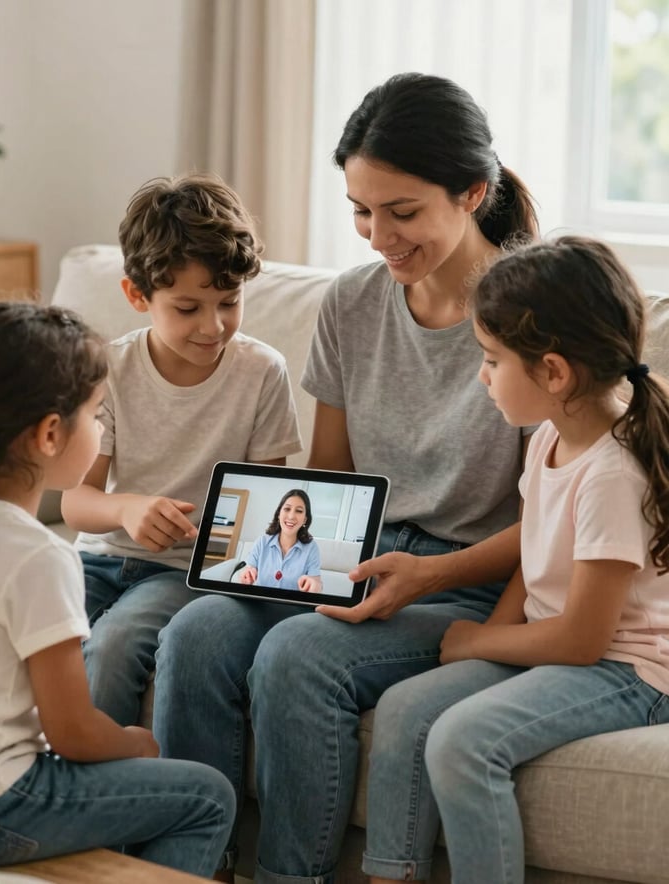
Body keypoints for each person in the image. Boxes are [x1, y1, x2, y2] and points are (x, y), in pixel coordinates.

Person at [153, 72, 539, 884]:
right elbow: (328, 479)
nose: (377, 236)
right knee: (193, 633)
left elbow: (556, 521)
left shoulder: (535, 313)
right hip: (354, 554)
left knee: (300, 657)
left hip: (464, 576)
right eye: (362, 211)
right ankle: (192, 869)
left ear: (472, 192)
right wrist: (263, 548)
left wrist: (428, 572)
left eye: (402, 213)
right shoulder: (351, 302)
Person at [364, 235, 669, 884]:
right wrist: (495, 640)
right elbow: (533, 565)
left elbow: (587, 640)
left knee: (462, 742)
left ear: (554, 372)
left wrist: (479, 642)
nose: (482, 375)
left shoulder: (613, 473)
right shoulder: (551, 440)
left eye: (492, 360)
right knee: (403, 709)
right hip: (564, 646)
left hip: (630, 670)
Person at [0, 302, 235, 874]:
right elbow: (72, 731)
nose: (101, 428)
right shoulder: (38, 555)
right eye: (96, 414)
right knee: (207, 796)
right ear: (51, 434)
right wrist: (135, 744)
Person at [60, 173, 302, 727]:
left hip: (182, 573)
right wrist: (127, 509)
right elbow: (77, 500)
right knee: (20, 629)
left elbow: (265, 514)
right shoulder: (111, 370)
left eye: (229, 302)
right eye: (188, 308)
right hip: (97, 558)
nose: (213, 327)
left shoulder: (262, 372)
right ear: (137, 295)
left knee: (115, 646)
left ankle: (107, 799)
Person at [238, 489, 322, 592]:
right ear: (279, 514)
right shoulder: (262, 542)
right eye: (287, 509)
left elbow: (317, 583)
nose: (291, 516)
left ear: (305, 519)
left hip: (292, 607)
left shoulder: (311, 548)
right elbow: (247, 570)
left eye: (299, 511)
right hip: (260, 605)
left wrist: (314, 585)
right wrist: (246, 575)